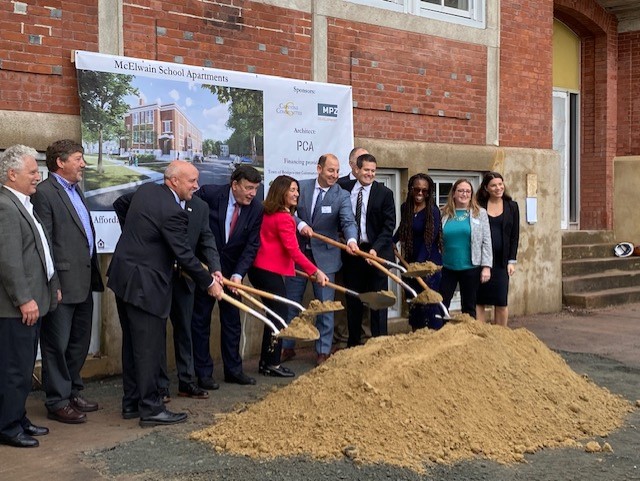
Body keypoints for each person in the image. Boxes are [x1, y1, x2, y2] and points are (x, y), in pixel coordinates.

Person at [107, 161, 223, 427]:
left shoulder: (148, 190)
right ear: (173, 181)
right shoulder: (173, 211)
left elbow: (122, 204)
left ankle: (131, 403)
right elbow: (184, 254)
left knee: (133, 344)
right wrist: (209, 283)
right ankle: (150, 408)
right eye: (192, 180)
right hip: (145, 286)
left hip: (123, 277)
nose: (196, 186)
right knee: (148, 348)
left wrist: (140, 238)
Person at [31, 139, 104, 425]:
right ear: (60, 162)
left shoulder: (76, 191)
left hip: (84, 282)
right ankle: (57, 400)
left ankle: (73, 391)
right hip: (62, 284)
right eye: (78, 158)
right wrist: (54, 282)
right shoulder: (46, 193)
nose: (83, 163)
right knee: (56, 345)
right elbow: (45, 242)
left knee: (78, 343)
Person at [0, 145, 59, 448]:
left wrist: (51, 286)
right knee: (15, 369)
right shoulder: (6, 206)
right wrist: (25, 299)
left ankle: (17, 418)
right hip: (16, 309)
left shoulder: (23, 203)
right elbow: (9, 261)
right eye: (33, 171)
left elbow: (39, 252)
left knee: (23, 368)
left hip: (33, 301)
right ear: (12, 174)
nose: (39, 176)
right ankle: (8, 427)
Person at [248, 175, 329, 377]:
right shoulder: (284, 218)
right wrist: (316, 271)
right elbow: (293, 251)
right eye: (291, 190)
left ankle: (266, 362)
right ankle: (272, 364)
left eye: (297, 190)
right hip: (269, 272)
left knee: (273, 316)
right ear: (280, 191)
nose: (296, 194)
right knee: (279, 317)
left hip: (259, 270)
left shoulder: (267, 213)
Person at [283, 154, 359, 365]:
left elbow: (348, 221)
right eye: (330, 170)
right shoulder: (301, 187)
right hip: (298, 256)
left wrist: (352, 240)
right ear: (319, 169)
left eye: (337, 171)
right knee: (291, 303)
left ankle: (323, 350)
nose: (335, 175)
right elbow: (286, 211)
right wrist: (299, 224)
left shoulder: (341, 195)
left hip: (326, 258)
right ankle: (287, 346)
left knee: (325, 306)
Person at [192, 165, 263, 388]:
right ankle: (203, 374)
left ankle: (233, 370)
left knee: (232, 323)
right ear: (234, 185)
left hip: (233, 275)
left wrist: (238, 275)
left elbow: (252, 246)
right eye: (248, 188)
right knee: (200, 321)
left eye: (256, 189)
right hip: (204, 271)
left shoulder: (256, 209)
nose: (252, 193)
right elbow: (190, 225)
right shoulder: (209, 195)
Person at [338, 153, 396, 347]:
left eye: (373, 170)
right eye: (366, 170)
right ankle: (354, 343)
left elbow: (389, 226)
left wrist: (376, 250)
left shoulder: (384, 193)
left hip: (376, 253)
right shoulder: (344, 189)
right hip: (353, 253)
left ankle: (379, 344)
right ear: (356, 170)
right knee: (354, 299)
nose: (369, 174)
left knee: (378, 300)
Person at [393, 173, 443, 330]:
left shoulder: (433, 211)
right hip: (409, 262)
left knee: (428, 302)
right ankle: (416, 334)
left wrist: (417, 267)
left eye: (424, 191)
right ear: (410, 190)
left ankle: (432, 336)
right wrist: (392, 242)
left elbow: (429, 241)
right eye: (417, 190)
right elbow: (404, 228)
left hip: (428, 265)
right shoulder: (405, 208)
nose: (420, 194)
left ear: (429, 192)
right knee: (414, 301)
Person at [439, 179, 492, 319]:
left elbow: (486, 241)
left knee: (468, 307)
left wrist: (486, 266)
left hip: (470, 267)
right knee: (441, 305)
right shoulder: (444, 213)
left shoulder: (480, 213)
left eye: (468, 191)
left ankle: (469, 338)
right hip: (447, 267)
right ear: (454, 194)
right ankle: (441, 336)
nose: (464, 194)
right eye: (461, 191)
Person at [475, 172, 520, 326]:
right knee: (479, 299)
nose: (498, 188)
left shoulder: (512, 206)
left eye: (500, 184)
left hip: (501, 262)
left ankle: (501, 335)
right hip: (480, 261)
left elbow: (514, 236)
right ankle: (480, 336)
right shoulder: (478, 206)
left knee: (501, 301)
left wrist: (511, 261)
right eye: (493, 185)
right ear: (486, 188)